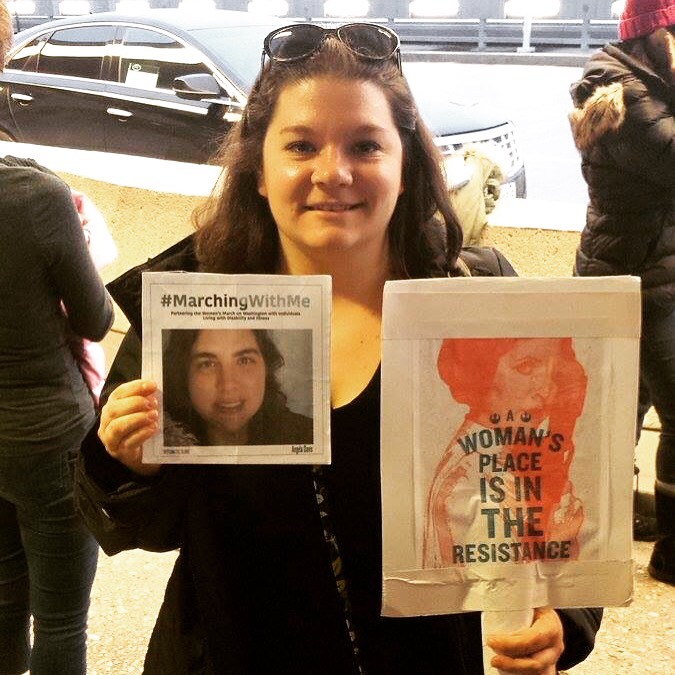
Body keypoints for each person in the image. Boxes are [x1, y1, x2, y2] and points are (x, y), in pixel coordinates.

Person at [76, 22, 601, 674]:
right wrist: (125, 461)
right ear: (260, 171)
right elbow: (135, 527)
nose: (333, 172)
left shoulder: (474, 301)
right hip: (235, 651)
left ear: (404, 165)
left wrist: (560, 616)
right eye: (300, 145)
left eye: (364, 144)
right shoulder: (191, 310)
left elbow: (548, 485)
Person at [0, 4, 115, 674]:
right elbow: (97, 319)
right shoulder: (36, 195)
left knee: (4, 603)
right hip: (49, 438)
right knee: (63, 621)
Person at [568, 0, 674, 583]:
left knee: (615, 410)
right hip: (638, 281)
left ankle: (612, 519)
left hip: (640, 274)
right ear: (658, 34)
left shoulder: (644, 85)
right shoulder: (625, 98)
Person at [423, 338, 588, 568]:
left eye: (554, 369)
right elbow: (498, 595)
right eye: (526, 367)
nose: (546, 389)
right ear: (482, 373)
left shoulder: (508, 454)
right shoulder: (472, 474)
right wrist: (557, 541)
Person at [162, 328, 313, 446]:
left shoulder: (308, 434)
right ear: (183, 374)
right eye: (207, 364)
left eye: (244, 360)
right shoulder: (161, 439)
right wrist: (146, 473)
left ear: (266, 367)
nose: (228, 386)